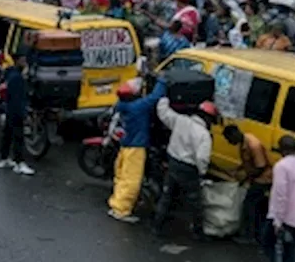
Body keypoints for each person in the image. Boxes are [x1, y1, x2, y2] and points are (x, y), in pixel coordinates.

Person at [152, 97, 216, 240]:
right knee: (195, 202)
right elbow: (202, 158)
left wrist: (165, 96)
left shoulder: (180, 121)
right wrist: (202, 173)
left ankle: (157, 226)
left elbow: (163, 112)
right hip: (189, 170)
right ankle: (197, 232)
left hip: (173, 164)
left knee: (166, 197)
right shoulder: (204, 135)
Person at [107, 77, 166, 223]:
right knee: (132, 180)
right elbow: (155, 97)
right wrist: (162, 81)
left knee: (121, 177)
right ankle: (122, 210)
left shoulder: (121, 106)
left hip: (125, 146)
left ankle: (116, 204)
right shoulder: (137, 107)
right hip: (136, 148)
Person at [223, 123, 273, 246]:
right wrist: (237, 170)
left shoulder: (252, 144)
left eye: (229, 140)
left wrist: (246, 178)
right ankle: (254, 234)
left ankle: (250, 236)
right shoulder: (244, 143)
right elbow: (248, 162)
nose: (230, 143)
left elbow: (260, 167)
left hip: (263, 179)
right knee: (254, 205)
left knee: (249, 205)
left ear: (234, 134)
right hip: (258, 177)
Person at [0, 52, 34, 175]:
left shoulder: (10, 73)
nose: (25, 63)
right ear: (17, 61)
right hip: (15, 110)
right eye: (23, 60)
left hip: (8, 108)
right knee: (18, 137)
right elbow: (18, 98)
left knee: (7, 134)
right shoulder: (17, 78)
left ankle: (4, 158)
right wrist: (23, 114)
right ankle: (19, 163)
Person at [269, 135, 295, 262]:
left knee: (289, 255)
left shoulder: (282, 166)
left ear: (282, 149)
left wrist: (277, 220)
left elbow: (281, 195)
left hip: (289, 219)